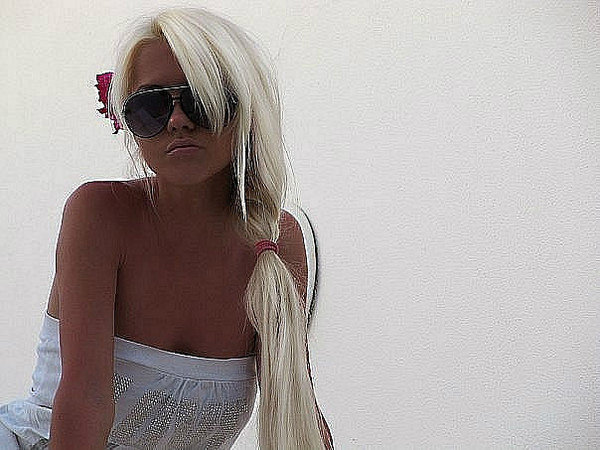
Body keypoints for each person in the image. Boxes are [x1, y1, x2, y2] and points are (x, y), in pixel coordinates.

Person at [0, 6, 333, 449]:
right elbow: (84, 403)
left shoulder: (276, 241)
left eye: (199, 99)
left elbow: (298, 411)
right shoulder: (100, 215)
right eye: (150, 107)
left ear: (244, 109)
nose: (178, 120)